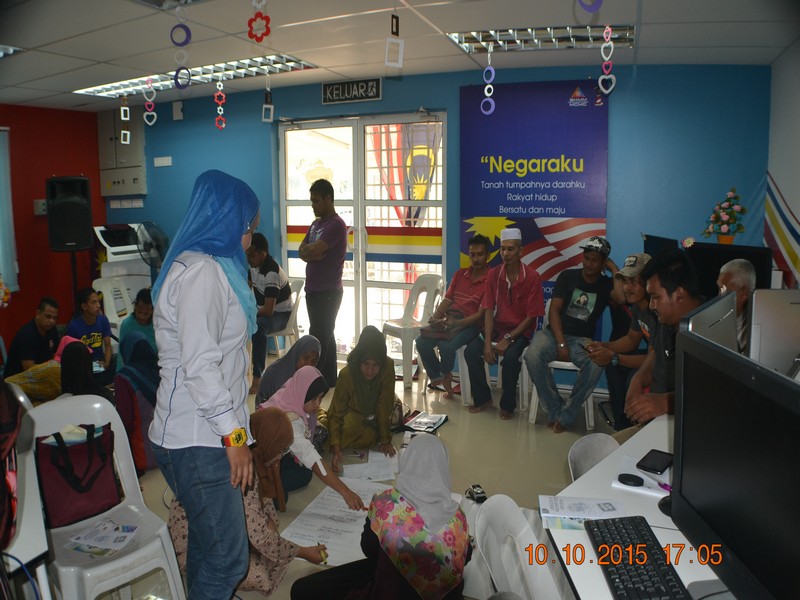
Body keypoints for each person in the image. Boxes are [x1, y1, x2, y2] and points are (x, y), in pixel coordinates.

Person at [148, 169, 260, 600]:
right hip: (199, 438)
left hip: (197, 433)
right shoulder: (203, 273)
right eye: (248, 226)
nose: (249, 238)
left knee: (208, 544)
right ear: (226, 221)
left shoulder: (202, 264)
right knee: (229, 560)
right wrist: (235, 438)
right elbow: (200, 366)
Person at [290, 433, 472, 600]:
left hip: (391, 590)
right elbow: (466, 557)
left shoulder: (386, 504)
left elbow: (368, 548)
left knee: (303, 589)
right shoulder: (458, 517)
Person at [168, 407, 327, 596]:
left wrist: (267, 531)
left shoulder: (248, 452)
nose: (279, 457)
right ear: (267, 443)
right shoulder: (244, 469)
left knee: (270, 527)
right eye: (280, 450)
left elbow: (262, 511)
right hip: (192, 546)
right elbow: (261, 536)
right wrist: (303, 552)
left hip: (219, 527)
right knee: (260, 575)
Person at [524, 236, 621, 432]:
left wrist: (614, 269)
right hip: (553, 334)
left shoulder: (606, 285)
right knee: (532, 355)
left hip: (581, 340)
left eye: (595, 260)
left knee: (596, 364)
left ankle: (567, 415)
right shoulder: (568, 276)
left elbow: (620, 298)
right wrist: (561, 343)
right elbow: (554, 311)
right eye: (586, 258)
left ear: (603, 262)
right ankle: (555, 410)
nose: (589, 263)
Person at [464, 227, 544, 420]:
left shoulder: (532, 277)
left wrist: (508, 338)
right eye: (503, 249)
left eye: (511, 249)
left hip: (520, 331)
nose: (506, 254)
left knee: (510, 358)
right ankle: (483, 398)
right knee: (471, 351)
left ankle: (508, 404)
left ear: (521, 251)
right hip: (498, 327)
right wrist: (487, 342)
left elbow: (531, 317)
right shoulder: (494, 274)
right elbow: (488, 309)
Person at [260, 365, 366, 509]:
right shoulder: (289, 421)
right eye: (314, 399)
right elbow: (312, 458)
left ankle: (273, 479)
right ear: (301, 393)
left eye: (321, 398)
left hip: (275, 455)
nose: (317, 404)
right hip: (258, 464)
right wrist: (346, 493)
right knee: (279, 498)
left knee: (305, 473)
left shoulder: (287, 396)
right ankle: (261, 485)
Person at [624, 248, 703, 427]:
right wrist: (637, 380)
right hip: (656, 422)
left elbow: (709, 394)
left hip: (682, 424)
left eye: (655, 297)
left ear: (679, 294)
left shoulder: (710, 330)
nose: (651, 305)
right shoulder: (667, 321)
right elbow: (656, 355)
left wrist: (665, 403)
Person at [586, 253, 655, 431]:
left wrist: (614, 357)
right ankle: (622, 427)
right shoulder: (638, 306)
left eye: (634, 281)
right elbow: (631, 340)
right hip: (653, 358)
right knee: (613, 367)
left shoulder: (657, 309)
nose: (627, 287)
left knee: (631, 375)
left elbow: (654, 360)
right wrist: (604, 346)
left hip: (667, 364)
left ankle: (635, 428)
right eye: (625, 281)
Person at [415, 234, 490, 398]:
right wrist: (435, 318)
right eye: (472, 254)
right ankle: (439, 377)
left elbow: (480, 316)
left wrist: (456, 323)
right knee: (421, 341)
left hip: (471, 325)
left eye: (480, 254)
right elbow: (447, 301)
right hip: (450, 320)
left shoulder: (490, 280)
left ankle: (445, 374)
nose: (476, 259)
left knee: (446, 346)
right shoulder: (460, 274)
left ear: (488, 256)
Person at [328, 325, 397, 474]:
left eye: (375, 365)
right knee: (350, 427)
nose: (370, 371)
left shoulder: (387, 366)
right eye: (366, 364)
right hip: (353, 413)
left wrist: (385, 440)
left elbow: (384, 405)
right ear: (359, 360)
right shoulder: (347, 374)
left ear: (381, 363)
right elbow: (336, 413)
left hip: (376, 413)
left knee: (370, 438)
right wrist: (336, 447)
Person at [298, 178, 347, 387]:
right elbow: (301, 250)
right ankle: (329, 380)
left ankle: (313, 383)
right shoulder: (315, 224)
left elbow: (314, 249)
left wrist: (312, 252)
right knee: (325, 333)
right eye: (311, 201)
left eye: (316, 201)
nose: (313, 205)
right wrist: (311, 253)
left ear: (328, 199)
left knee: (319, 336)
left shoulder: (336, 224)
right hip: (313, 289)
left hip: (328, 291)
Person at [247, 232, 294, 394]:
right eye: (247, 255)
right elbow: (246, 292)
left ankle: (257, 378)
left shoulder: (271, 272)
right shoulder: (253, 267)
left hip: (282, 316)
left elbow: (268, 310)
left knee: (258, 328)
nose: (248, 259)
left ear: (263, 253)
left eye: (252, 255)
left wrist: (250, 312)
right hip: (267, 312)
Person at [114, 332, 160, 474]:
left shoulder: (124, 378)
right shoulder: (163, 370)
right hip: (173, 448)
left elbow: (125, 421)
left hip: (145, 454)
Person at [65, 287, 114, 386]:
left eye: (98, 301)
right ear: (84, 306)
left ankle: (100, 385)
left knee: (117, 359)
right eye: (94, 302)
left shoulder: (103, 320)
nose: (98, 305)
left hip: (100, 361)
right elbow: (73, 356)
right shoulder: (74, 326)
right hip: (84, 366)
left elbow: (108, 345)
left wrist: (106, 363)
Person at [255, 334, 321, 407]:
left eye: (314, 361)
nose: (309, 364)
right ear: (297, 353)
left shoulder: (310, 377)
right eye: (305, 358)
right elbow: (259, 406)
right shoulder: (273, 373)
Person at [3, 296, 59, 378]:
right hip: (17, 380)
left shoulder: (52, 330)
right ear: (38, 314)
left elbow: (55, 356)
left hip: (41, 376)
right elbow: (29, 369)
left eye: (55, 318)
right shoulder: (27, 335)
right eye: (48, 316)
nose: (52, 321)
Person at [717, 258, 756, 353]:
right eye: (719, 289)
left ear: (743, 294)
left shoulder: (754, 334)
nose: (718, 297)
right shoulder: (716, 318)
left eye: (723, 290)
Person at [118, 288, 156, 363]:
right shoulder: (126, 325)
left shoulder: (156, 324)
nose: (142, 317)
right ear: (135, 306)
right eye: (139, 312)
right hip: (133, 365)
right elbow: (121, 356)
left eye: (146, 314)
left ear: (152, 311)